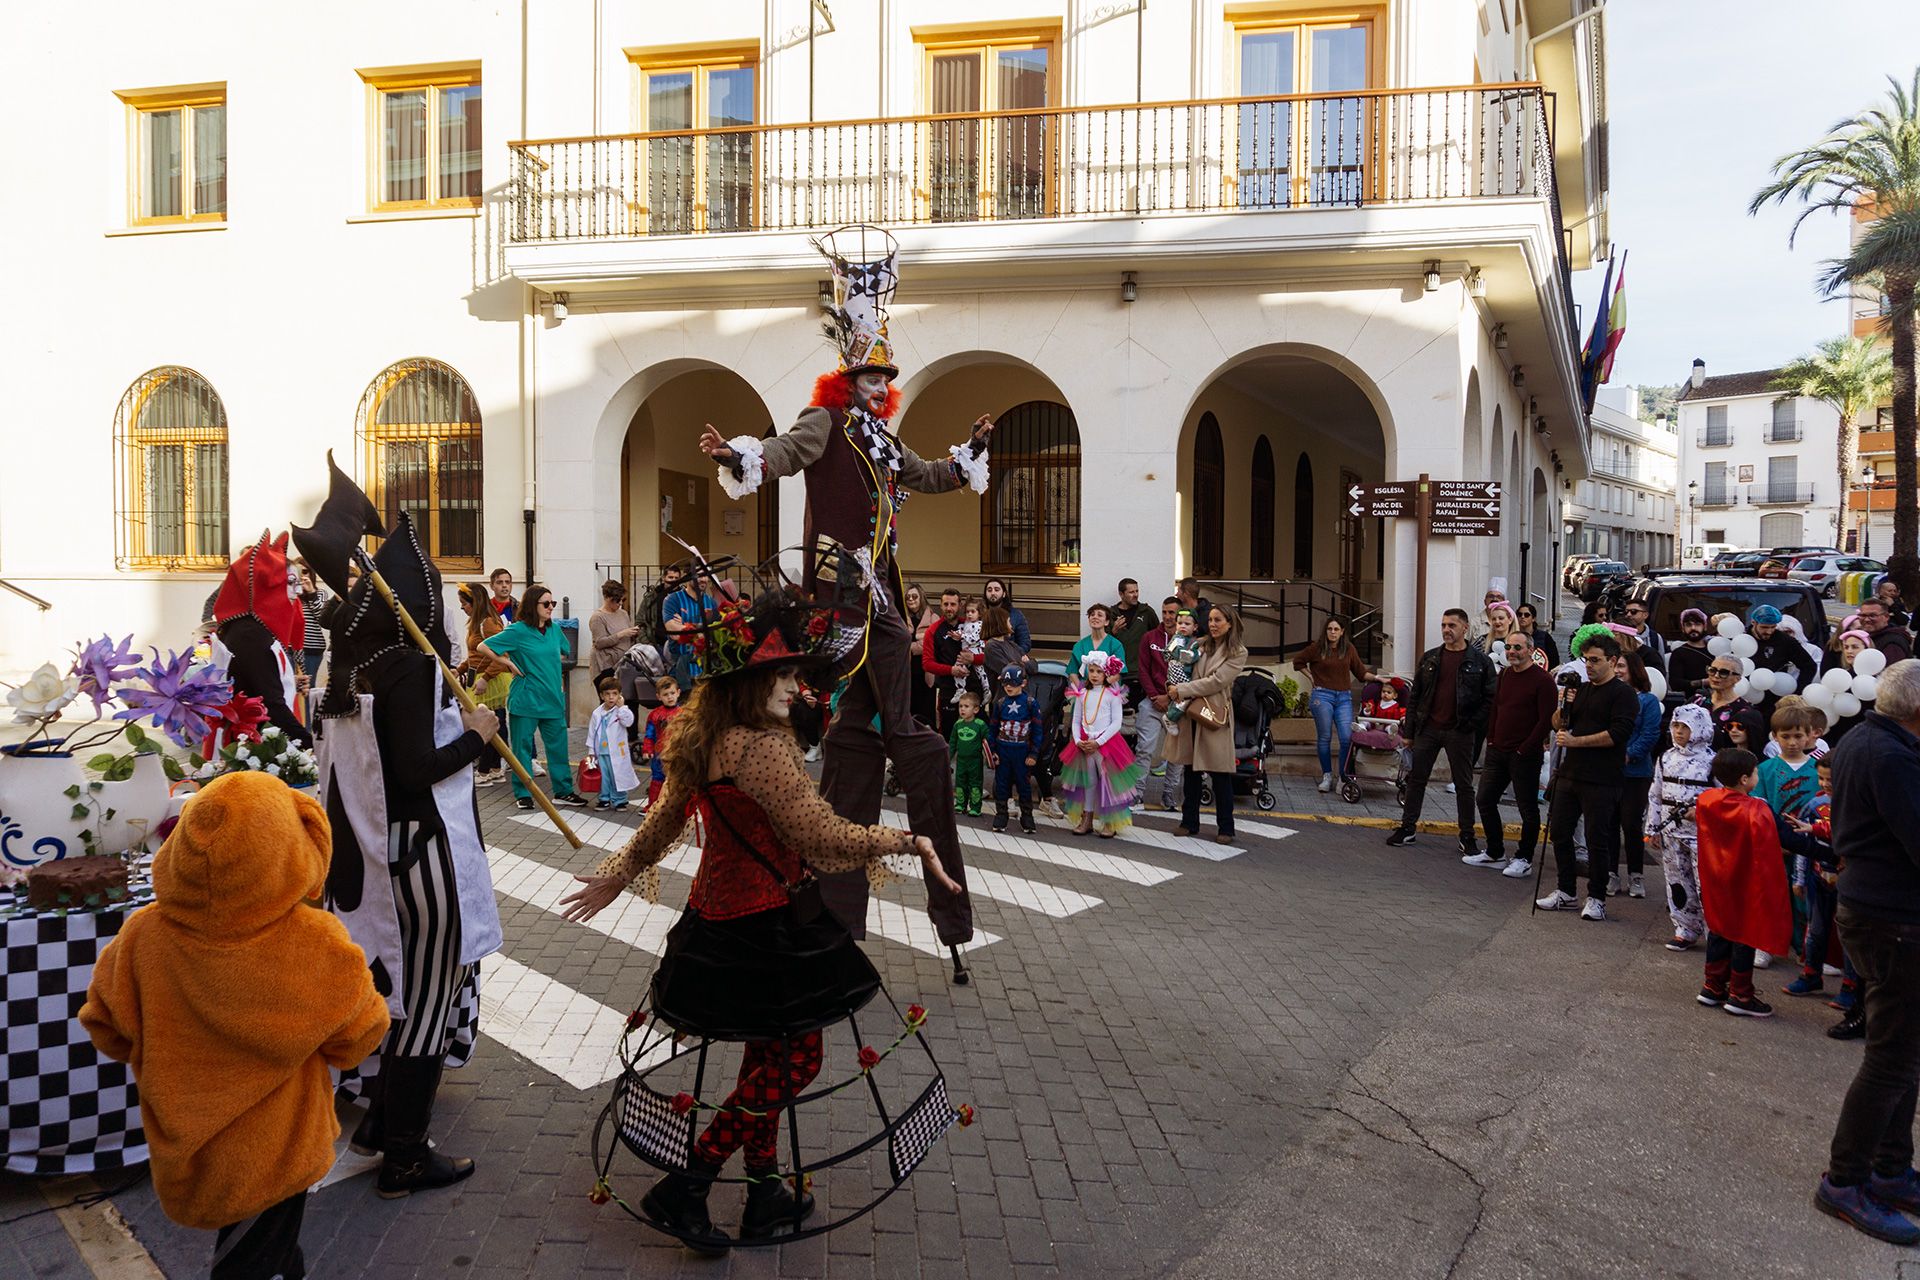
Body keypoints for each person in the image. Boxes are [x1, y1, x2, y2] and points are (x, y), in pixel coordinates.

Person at [556, 575, 965, 1250]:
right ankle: (691, 1181)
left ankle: (764, 1192)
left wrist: (617, 872)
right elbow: (818, 834)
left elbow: (663, 817)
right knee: (794, 1060)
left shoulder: (707, 735)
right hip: (766, 924)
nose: (793, 687)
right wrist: (904, 840)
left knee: (767, 1054)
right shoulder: (763, 747)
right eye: (782, 677)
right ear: (752, 683)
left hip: (718, 919)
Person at [695, 230, 984, 964]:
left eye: (885, 378)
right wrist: (737, 454)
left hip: (880, 592)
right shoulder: (824, 423)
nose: (880, 387)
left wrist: (971, 452)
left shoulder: (886, 445)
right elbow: (784, 453)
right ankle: (827, 886)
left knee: (869, 736)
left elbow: (931, 475)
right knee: (880, 732)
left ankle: (862, 898)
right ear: (845, 382)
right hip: (840, 595)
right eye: (868, 378)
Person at [79, 772, 390, 1280]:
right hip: (278, 1148)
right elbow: (359, 1036)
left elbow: (106, 1027)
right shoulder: (313, 940)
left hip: (188, 1150)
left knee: (267, 1256)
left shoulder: (143, 935)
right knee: (255, 1261)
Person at [297, 502, 505, 1198]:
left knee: (409, 1001)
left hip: (381, 855)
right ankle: (408, 1156)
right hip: (423, 858)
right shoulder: (409, 667)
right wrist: (477, 735)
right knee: (426, 1007)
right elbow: (416, 768)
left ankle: (383, 1129)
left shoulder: (352, 667)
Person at [1817, 659, 1920, 1243]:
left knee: (1903, 1054)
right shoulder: (1888, 755)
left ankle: (1889, 1167)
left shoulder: (1869, 737)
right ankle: (1846, 1180)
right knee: (1891, 1059)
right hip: (1893, 919)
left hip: (1883, 912)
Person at [1535, 630, 1639, 921]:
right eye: (1586, 660)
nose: (1589, 665)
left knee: (1597, 839)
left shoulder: (1623, 694)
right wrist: (1563, 704)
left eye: (1595, 660)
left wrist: (1577, 742)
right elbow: (1557, 724)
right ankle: (1566, 891)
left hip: (1602, 777)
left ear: (1612, 660)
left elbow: (1618, 734)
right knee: (1560, 833)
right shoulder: (1580, 690)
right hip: (1570, 773)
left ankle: (1596, 896)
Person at [1385, 609, 1497, 853]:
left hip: (1461, 730)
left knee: (1463, 785)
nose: (1447, 630)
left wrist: (1471, 724)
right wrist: (1410, 732)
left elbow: (1490, 699)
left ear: (1465, 628)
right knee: (1416, 779)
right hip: (1429, 729)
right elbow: (1415, 697)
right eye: (1444, 625)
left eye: (1452, 625)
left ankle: (1467, 835)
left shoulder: (1480, 662)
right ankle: (1407, 828)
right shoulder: (1430, 658)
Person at [1694, 748, 1792, 1018]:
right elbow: (1788, 839)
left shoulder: (1707, 799)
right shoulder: (1758, 808)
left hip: (1717, 878)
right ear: (1745, 778)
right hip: (1746, 881)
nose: (1758, 776)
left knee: (1719, 929)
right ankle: (1740, 993)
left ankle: (1712, 986)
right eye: (1756, 772)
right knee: (1743, 936)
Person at [482, 584, 589, 811]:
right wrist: (508, 662)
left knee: (559, 749)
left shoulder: (554, 630)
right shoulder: (517, 631)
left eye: (553, 603)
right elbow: (484, 646)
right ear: (533, 605)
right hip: (526, 699)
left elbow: (563, 651)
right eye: (546, 604)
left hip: (552, 698)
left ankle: (563, 791)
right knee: (521, 749)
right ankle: (523, 793)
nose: (551, 607)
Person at [209, 531, 312, 747]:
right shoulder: (250, 635)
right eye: (291, 582)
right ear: (268, 586)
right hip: (251, 744)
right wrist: (308, 743)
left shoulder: (251, 630)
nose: (299, 590)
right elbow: (270, 703)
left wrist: (286, 682)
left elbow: (254, 682)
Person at [1466, 631, 1554, 874]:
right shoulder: (1504, 675)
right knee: (1484, 799)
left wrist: (1525, 748)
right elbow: (1496, 708)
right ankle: (1495, 852)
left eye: (1518, 647)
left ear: (1530, 650)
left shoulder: (1542, 680)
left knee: (1527, 808)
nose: (1512, 652)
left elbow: (1546, 720)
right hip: (1498, 751)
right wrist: (1491, 739)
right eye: (1508, 647)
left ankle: (1524, 858)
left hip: (1524, 754)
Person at [1168, 605, 1248, 845]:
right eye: (1210, 620)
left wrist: (1181, 690)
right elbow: (1183, 667)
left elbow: (1216, 682)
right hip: (1191, 712)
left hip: (1214, 715)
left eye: (1218, 620)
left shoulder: (1238, 652)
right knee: (1191, 770)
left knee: (1220, 773)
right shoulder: (1200, 644)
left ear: (1230, 623)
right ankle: (1189, 821)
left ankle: (1226, 827)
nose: (1213, 624)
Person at [1649, 704, 1716, 951]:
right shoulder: (1666, 758)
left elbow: (1722, 797)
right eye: (1676, 726)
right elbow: (1655, 793)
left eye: (1685, 727)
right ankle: (1684, 927)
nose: (1679, 731)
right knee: (1677, 881)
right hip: (1671, 833)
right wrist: (1653, 827)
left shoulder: (1712, 760)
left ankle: (1714, 931)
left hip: (1701, 836)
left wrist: (1703, 812)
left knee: (1705, 884)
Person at [1061, 651, 1145, 838]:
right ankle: (1087, 818)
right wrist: (1078, 740)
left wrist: (1098, 742)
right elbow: (1076, 720)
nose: (1095, 675)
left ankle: (1109, 820)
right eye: (1091, 670)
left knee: (1108, 782)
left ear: (1106, 673)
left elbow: (1116, 723)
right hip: (1084, 743)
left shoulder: (1112, 695)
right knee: (1088, 782)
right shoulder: (1082, 693)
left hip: (1106, 744)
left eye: (1099, 671)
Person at [1779, 756, 1839, 1000]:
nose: (1825, 784)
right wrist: (1799, 878)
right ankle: (1810, 975)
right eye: (1821, 778)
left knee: (1845, 935)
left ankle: (1850, 987)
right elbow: (1804, 845)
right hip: (1817, 876)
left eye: (1831, 779)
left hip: (1846, 879)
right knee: (1815, 930)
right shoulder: (1814, 804)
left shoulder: (1856, 805)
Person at [1292, 614, 1371, 793]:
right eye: (1329, 629)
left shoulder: (1348, 649)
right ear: (1326, 631)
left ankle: (1343, 777)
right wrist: (1311, 676)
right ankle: (1327, 775)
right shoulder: (1317, 648)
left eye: (1336, 629)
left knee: (1345, 738)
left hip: (1344, 697)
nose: (1333, 632)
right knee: (1325, 737)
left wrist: (1379, 678)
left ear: (1342, 632)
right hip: (1322, 696)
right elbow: (1298, 661)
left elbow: (1360, 672)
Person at [1613, 649, 1664, 900]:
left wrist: (1629, 754)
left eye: (1622, 666)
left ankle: (1636, 875)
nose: (1618, 670)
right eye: (1615, 666)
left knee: (1631, 824)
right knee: (1608, 824)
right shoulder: (1609, 696)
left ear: (1634, 670)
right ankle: (1611, 874)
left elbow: (1651, 733)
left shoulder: (1648, 701)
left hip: (1635, 772)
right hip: (1607, 771)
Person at [456, 582, 514, 786]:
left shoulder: (487, 623)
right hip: (482, 678)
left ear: (475, 603)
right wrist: (460, 669)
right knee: (494, 724)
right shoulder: (476, 622)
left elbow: (501, 654)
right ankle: (495, 768)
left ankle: (485, 771)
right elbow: (476, 654)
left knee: (488, 726)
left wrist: (485, 679)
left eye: (464, 603)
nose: (462, 607)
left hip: (490, 680)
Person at [987, 664, 1042, 833]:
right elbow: (993, 729)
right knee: (1002, 784)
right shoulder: (1000, 703)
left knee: (1023, 785)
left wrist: (1034, 753)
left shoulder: (1031, 703)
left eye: (1013, 683)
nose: (1008, 686)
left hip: (1022, 751)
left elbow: (1038, 731)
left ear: (1023, 683)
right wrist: (992, 751)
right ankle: (1001, 815)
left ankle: (1027, 817)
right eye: (1005, 683)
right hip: (1003, 750)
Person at [1158, 610, 1202, 811]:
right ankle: (1170, 718)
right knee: (1182, 699)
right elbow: (1172, 655)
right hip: (1176, 675)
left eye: (1187, 623)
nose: (1182, 626)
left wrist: (1192, 654)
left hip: (1184, 677)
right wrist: (1187, 654)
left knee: (1184, 700)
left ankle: (1171, 716)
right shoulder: (1176, 640)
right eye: (1180, 623)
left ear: (1195, 627)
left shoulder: (1194, 642)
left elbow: (1188, 656)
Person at [1136, 598, 1178, 794]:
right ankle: (1137, 794)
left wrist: (1168, 698)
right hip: (1151, 702)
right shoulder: (1149, 637)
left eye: (1172, 613)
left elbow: (1191, 674)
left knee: (1176, 754)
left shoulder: (1188, 642)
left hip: (1178, 704)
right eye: (1165, 612)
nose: (1168, 617)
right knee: (1144, 750)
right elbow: (1143, 669)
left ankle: (1169, 794)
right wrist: (1154, 696)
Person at [922, 588, 977, 733]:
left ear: (960, 606)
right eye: (945, 604)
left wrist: (973, 658)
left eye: (953, 604)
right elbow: (927, 663)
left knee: (974, 735)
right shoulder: (933, 631)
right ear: (940, 605)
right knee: (948, 734)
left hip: (973, 689)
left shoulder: (971, 626)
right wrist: (951, 670)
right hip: (948, 691)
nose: (949, 608)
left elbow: (988, 654)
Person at [1749, 604, 1816, 715]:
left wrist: (1797, 692)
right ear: (1753, 623)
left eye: (1773, 627)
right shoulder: (1742, 638)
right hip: (1747, 698)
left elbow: (1809, 666)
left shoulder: (1785, 641)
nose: (1769, 632)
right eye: (1764, 627)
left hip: (1775, 701)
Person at [587, 674, 640, 811]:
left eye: (614, 694)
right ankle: (604, 799)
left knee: (618, 775)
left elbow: (628, 722)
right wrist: (591, 752)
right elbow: (592, 734)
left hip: (617, 751)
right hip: (601, 752)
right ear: (601, 695)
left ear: (619, 695)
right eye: (607, 694)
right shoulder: (596, 713)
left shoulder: (622, 711)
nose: (611, 697)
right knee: (603, 777)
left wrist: (622, 707)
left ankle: (620, 800)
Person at [1693, 655, 1756, 749]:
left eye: (1724, 672)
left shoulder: (1743, 710)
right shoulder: (1696, 701)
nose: (1716, 675)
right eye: (1712, 670)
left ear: (1737, 678)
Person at [640, 675, 684, 809]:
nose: (670, 697)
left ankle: (675, 806)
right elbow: (649, 734)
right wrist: (647, 749)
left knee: (677, 780)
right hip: (660, 753)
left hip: (677, 753)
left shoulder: (684, 713)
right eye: (666, 694)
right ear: (659, 696)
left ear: (678, 693)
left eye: (672, 693)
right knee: (657, 779)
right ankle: (652, 805)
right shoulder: (655, 715)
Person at [1109, 578, 1157, 693]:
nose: (1135, 595)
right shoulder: (1111, 614)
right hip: (1117, 672)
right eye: (1131, 592)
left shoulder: (1146, 612)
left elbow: (1157, 637)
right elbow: (1103, 643)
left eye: (1137, 591)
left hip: (1141, 671)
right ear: (1121, 594)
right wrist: (1113, 631)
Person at [904, 582, 941, 730]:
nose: (911, 600)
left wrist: (911, 647)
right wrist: (918, 645)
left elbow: (933, 645)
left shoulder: (933, 618)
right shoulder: (900, 618)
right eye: (908, 597)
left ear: (922, 598)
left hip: (926, 675)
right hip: (906, 674)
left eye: (914, 596)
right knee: (908, 714)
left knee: (926, 715)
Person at [590, 579, 641, 681]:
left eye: (623, 600)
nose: (620, 603)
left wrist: (634, 633)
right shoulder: (598, 617)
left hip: (623, 664)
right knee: (609, 695)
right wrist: (621, 634)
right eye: (617, 600)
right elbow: (599, 643)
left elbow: (627, 636)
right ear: (607, 598)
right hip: (606, 666)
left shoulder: (623, 614)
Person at [948, 691, 988, 817]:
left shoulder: (980, 725)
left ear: (975, 709)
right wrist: (947, 758)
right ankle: (960, 804)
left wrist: (990, 756)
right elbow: (953, 743)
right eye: (960, 706)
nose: (962, 709)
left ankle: (975, 807)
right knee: (960, 782)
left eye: (966, 706)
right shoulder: (957, 724)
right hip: (961, 760)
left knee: (975, 783)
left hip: (975, 761)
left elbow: (988, 742)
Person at [1667, 608, 1714, 701]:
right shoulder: (1679, 653)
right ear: (1683, 628)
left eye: (1697, 624)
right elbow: (1675, 683)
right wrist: (1703, 682)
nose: (1693, 628)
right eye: (1688, 625)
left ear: (1704, 627)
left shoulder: (1714, 649)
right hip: (1693, 703)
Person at [1070, 603, 1127, 676]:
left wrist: (1103, 687)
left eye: (1099, 615)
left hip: (1109, 686)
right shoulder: (1079, 645)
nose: (1095, 617)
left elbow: (1118, 673)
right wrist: (1081, 687)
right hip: (1084, 686)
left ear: (1107, 622)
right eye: (1092, 615)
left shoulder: (1116, 645)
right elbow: (1072, 672)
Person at [296, 563, 329, 681]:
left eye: (304, 571)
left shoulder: (320, 593)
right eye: (297, 571)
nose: (301, 574)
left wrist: (311, 593)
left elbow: (322, 618)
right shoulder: (288, 592)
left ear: (311, 573)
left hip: (312, 647)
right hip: (289, 648)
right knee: (290, 687)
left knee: (308, 687)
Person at [1859, 598, 1915, 665]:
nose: (1867, 619)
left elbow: (1893, 672)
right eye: (1863, 615)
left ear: (1886, 617)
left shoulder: (1893, 644)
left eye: (1872, 615)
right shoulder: (1864, 636)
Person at [982, 577, 1031, 653]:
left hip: (1009, 659)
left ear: (1004, 594)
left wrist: (1014, 655)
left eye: (997, 590)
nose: (993, 593)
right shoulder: (979, 614)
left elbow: (1025, 643)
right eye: (989, 590)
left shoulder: (1016, 615)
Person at [1513, 602, 1559, 669]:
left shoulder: (1544, 637)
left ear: (1533, 618)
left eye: (1526, 615)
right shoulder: (1513, 636)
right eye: (1519, 614)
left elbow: (1554, 660)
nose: (1522, 617)